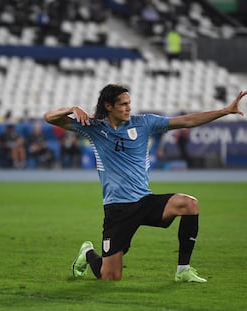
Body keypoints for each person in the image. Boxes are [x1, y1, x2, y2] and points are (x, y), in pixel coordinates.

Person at [44, 84, 246, 282]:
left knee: (189, 204)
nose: (129, 108)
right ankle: (88, 253)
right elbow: (49, 118)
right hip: (118, 209)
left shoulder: (145, 123)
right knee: (110, 277)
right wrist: (72, 109)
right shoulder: (94, 127)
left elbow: (188, 120)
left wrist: (225, 110)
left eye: (129, 103)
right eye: (123, 104)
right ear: (108, 106)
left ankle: (183, 270)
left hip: (145, 201)